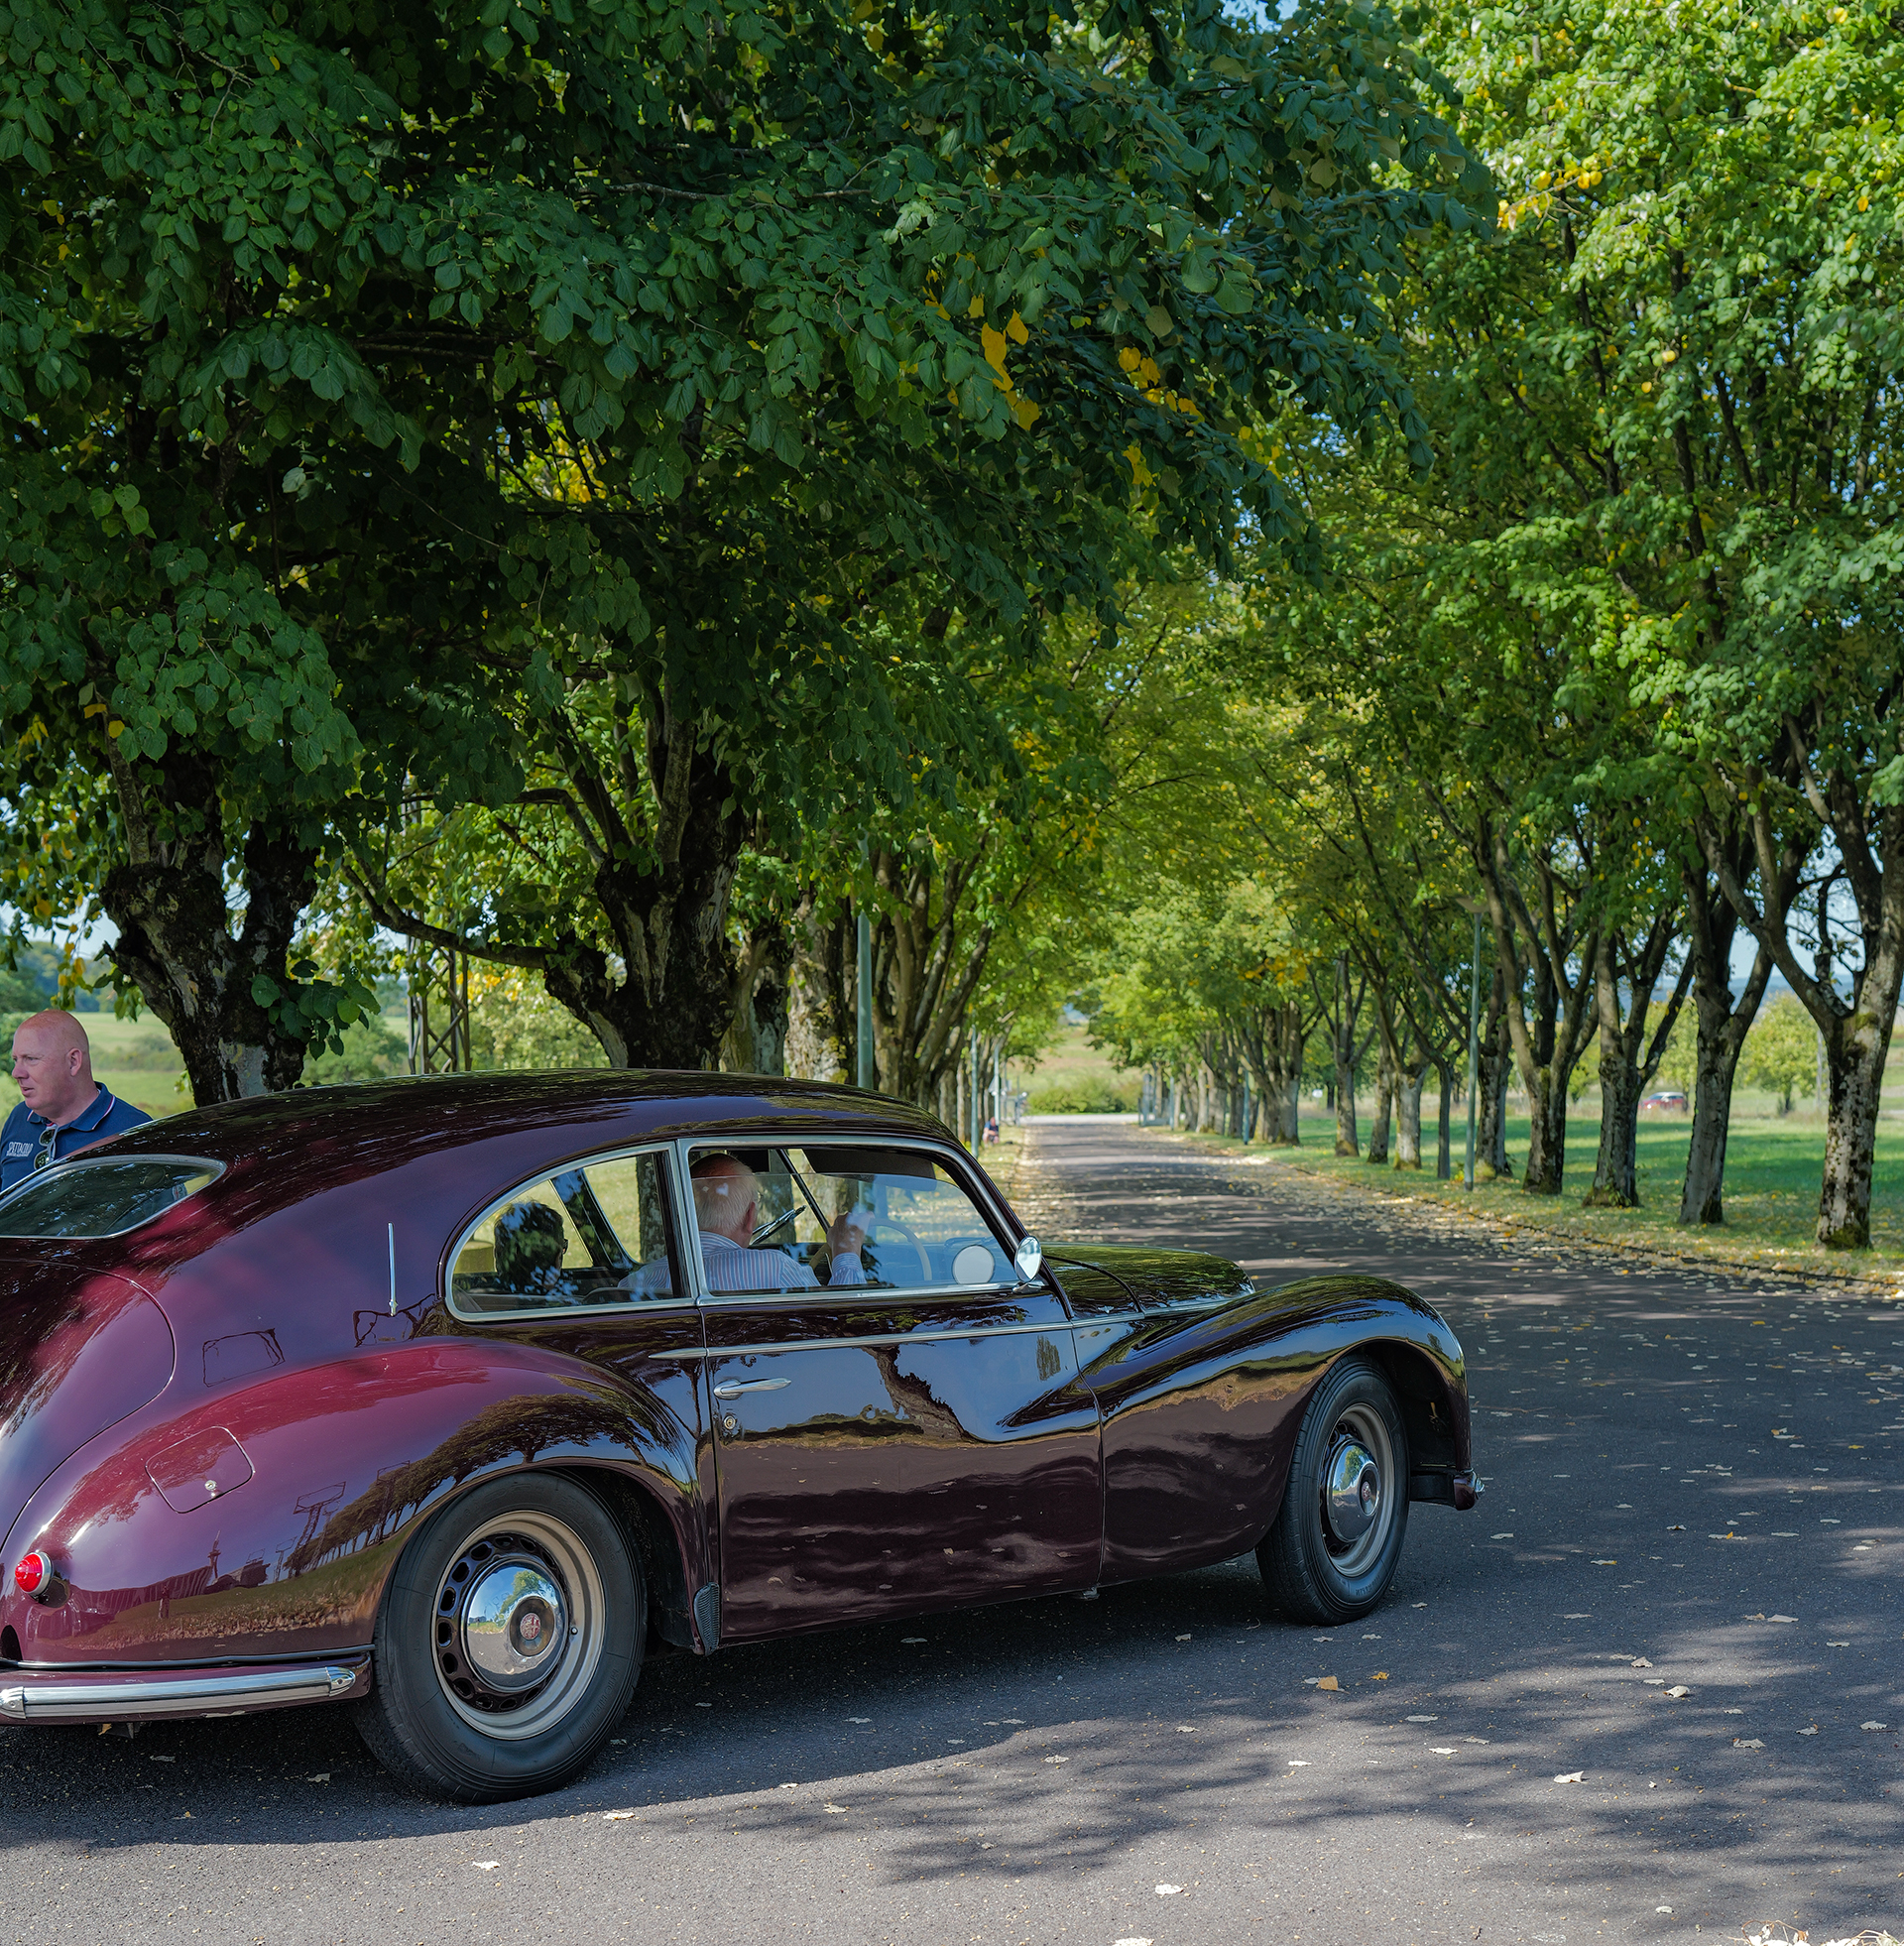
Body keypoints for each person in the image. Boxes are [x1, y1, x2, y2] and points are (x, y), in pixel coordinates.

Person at [2, 1009, 153, 1190]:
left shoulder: (135, 1130)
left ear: (73, 1061)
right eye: (16, 1060)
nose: (16, 1073)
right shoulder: (19, 1118)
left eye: (31, 1059)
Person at [690, 1153, 869, 1292]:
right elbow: (843, 1320)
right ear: (750, 1216)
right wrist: (847, 1250)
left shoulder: (672, 1270)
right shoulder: (773, 1268)